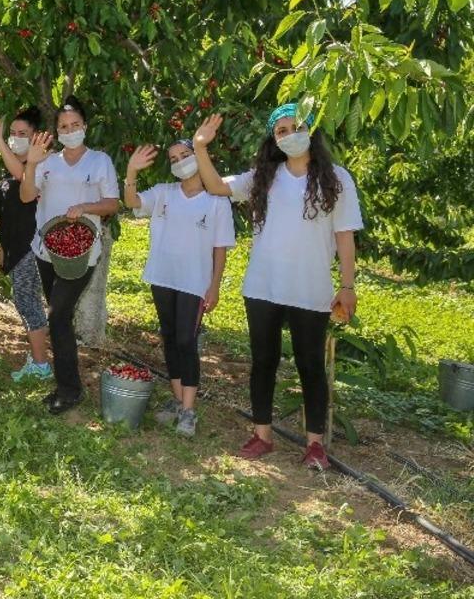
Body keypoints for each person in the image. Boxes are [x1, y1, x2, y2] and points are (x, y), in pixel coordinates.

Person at [193, 105, 362, 469]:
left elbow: (345, 236)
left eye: (296, 127)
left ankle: (315, 444)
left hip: (310, 288)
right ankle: (262, 435)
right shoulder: (264, 178)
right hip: (263, 286)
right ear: (274, 139)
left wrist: (347, 285)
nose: (290, 135)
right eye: (281, 131)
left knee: (311, 365)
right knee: (263, 362)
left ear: (311, 130)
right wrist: (200, 147)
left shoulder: (337, 179)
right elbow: (217, 186)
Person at [123, 139, 235, 436]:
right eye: (174, 159)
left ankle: (188, 410)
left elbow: (220, 249)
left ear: (199, 156)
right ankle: (177, 399)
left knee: (187, 340)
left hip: (194, 282)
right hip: (162, 276)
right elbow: (132, 202)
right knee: (170, 337)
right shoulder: (164, 193)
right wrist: (131, 171)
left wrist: (215, 286)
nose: (180, 162)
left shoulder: (217, 201)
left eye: (185, 155)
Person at [19, 97, 120, 414]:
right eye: (64, 127)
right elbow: (27, 196)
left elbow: (112, 204)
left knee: (58, 315)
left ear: (85, 127)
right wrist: (31, 163)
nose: (70, 130)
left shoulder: (99, 161)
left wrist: (85, 207)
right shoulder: (48, 162)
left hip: (82, 251)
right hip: (48, 250)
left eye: (75, 125)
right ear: (57, 132)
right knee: (60, 317)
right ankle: (65, 385)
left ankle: (70, 390)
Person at [0, 107, 51, 382]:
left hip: (32, 245)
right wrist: (3, 246)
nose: (15, 138)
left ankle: (41, 364)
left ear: (36, 136)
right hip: (15, 246)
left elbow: (25, 181)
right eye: (12, 133)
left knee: (28, 301)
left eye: (22, 133)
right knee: (26, 301)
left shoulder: (42, 165)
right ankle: (38, 359)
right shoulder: (9, 164)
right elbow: (6, 211)